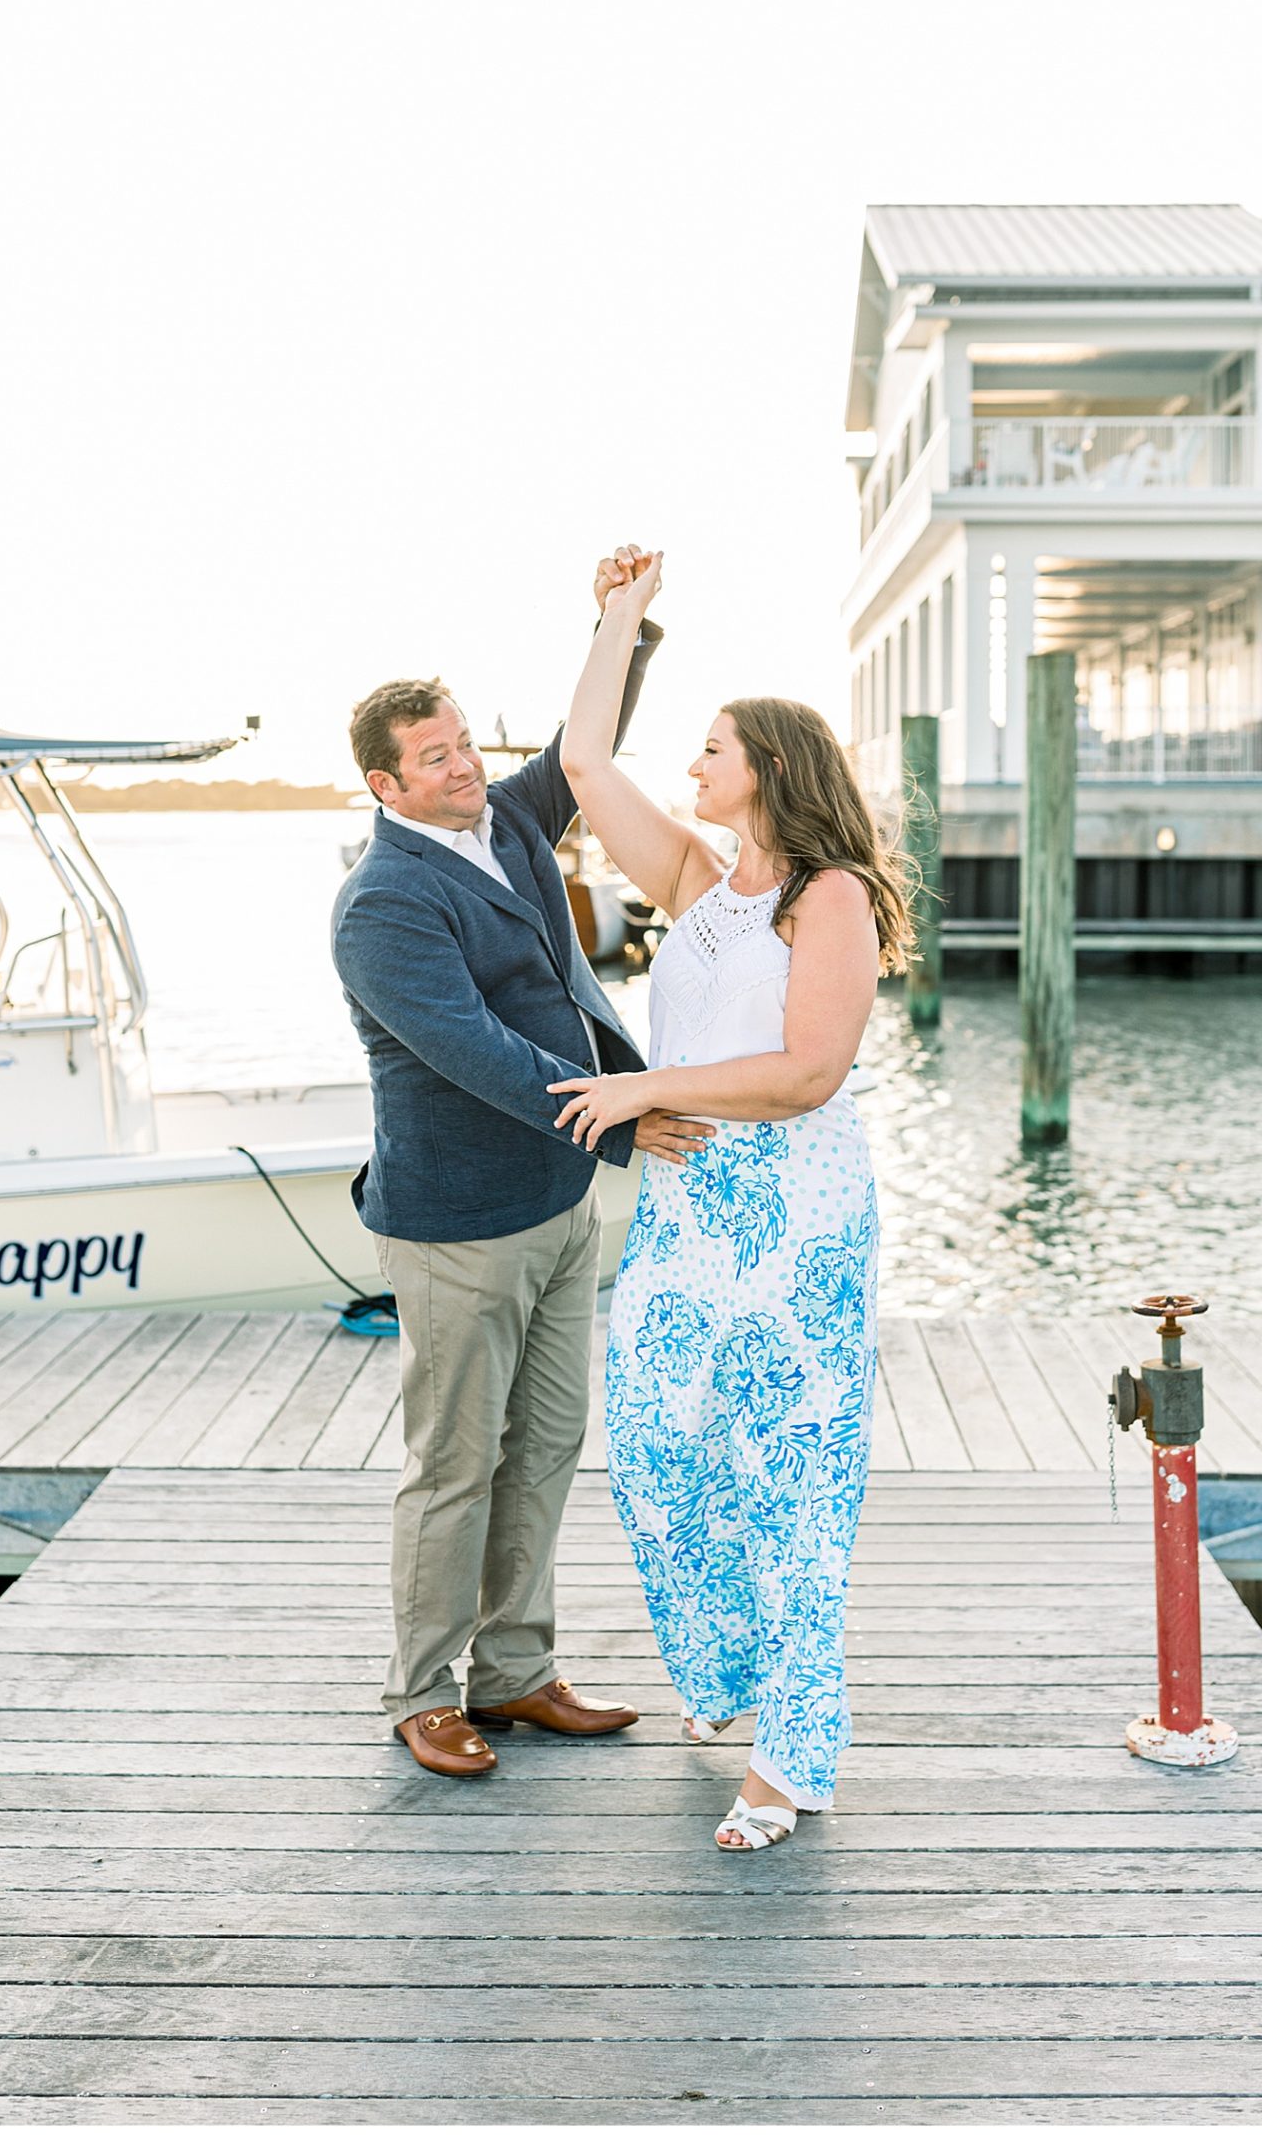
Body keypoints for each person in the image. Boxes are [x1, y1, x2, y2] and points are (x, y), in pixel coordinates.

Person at [546, 552, 913, 1850]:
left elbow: (810, 1071)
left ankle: (790, 1757)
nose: (692, 768)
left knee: (789, 1485)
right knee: (655, 1458)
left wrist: (649, 1085)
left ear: (769, 766)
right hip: (687, 1219)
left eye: (710, 749)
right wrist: (616, 623)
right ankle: (732, 1682)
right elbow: (587, 767)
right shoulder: (704, 889)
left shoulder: (835, 899)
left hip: (798, 1225)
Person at [331, 545, 717, 1779]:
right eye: (437, 758)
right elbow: (477, 1053)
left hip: (556, 1204)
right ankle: (420, 1692)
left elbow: (582, 747)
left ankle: (512, 1674)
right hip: (458, 1223)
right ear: (388, 783)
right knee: (454, 1465)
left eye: (464, 744)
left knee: (545, 1448)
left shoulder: (505, 818)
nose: (466, 768)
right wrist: (621, 1112)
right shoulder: (383, 905)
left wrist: (623, 623)